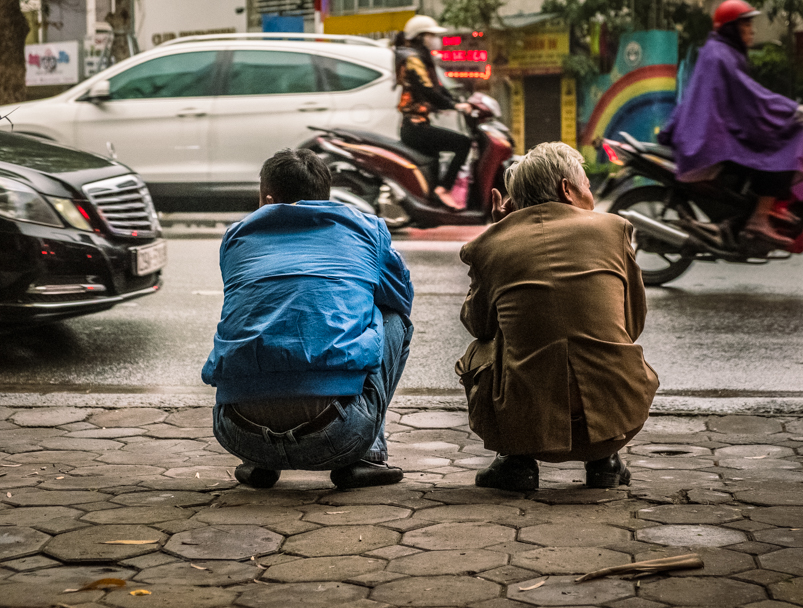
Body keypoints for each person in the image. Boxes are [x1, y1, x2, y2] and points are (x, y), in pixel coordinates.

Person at [201, 148, 414, 490]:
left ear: (267, 199)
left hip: (236, 432)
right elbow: (400, 299)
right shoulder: (366, 230)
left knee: (262, 314)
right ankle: (366, 457)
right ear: (323, 197)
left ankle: (260, 460)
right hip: (338, 433)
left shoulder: (237, 237)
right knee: (390, 317)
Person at [455, 142, 659, 492]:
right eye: (588, 187)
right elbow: (632, 323)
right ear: (568, 189)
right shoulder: (614, 230)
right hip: (619, 418)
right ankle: (604, 461)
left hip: (528, 428)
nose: (590, 195)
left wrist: (499, 233)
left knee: (482, 347)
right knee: (599, 335)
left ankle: (515, 461)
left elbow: (479, 325)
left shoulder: (491, 244)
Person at [658, 0, 803, 250]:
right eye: (745, 24)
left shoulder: (718, 51)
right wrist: (791, 110)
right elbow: (751, 97)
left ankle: (751, 214)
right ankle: (759, 219)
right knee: (778, 154)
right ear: (732, 28)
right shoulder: (723, 56)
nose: (751, 30)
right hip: (709, 142)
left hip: (706, 136)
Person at [395, 15, 473, 210]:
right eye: (432, 35)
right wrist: (453, 106)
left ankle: (432, 198)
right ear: (421, 37)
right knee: (463, 143)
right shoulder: (413, 59)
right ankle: (443, 189)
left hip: (418, 125)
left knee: (436, 158)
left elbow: (438, 89)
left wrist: (458, 101)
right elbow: (427, 90)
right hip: (415, 128)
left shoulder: (422, 58)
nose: (436, 40)